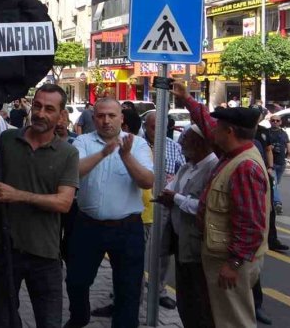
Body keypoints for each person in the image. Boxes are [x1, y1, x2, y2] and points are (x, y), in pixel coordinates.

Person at [0, 84, 79, 328]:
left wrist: (18, 195)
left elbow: (64, 203)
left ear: (61, 115)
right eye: (37, 106)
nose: (41, 113)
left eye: (49, 109)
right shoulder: (7, 139)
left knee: (49, 321)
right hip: (4, 247)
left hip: (44, 252)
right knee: (4, 319)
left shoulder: (67, 153)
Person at [172, 83, 270, 328]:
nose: (212, 131)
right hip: (220, 256)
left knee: (232, 320)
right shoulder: (233, 153)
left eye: (218, 128)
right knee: (218, 317)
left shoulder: (244, 166)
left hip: (231, 262)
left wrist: (233, 263)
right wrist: (187, 99)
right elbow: (207, 124)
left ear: (229, 131)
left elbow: (250, 223)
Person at [65, 98, 154, 328]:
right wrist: (104, 153)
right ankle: (79, 317)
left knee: (128, 288)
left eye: (112, 115)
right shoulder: (83, 141)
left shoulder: (137, 144)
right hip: (87, 226)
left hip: (127, 229)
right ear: (94, 118)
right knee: (76, 280)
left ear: (121, 118)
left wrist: (126, 157)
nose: (106, 121)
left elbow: (147, 181)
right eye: (101, 116)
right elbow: (74, 171)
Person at [157, 124, 218, 328]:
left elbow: (206, 207)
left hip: (197, 247)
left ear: (200, 143)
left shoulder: (213, 168)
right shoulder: (187, 166)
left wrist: (176, 199)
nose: (181, 143)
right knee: (185, 299)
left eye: (186, 139)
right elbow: (170, 188)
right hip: (181, 241)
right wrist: (168, 196)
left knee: (199, 299)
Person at [143, 110, 186, 309]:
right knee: (136, 251)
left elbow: (183, 171)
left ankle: (159, 289)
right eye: (153, 127)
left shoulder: (174, 146)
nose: (157, 131)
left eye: (162, 127)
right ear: (145, 127)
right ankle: (131, 288)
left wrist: (174, 179)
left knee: (162, 251)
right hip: (141, 205)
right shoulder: (137, 144)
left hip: (163, 204)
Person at [266, 116, 290, 215]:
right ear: (270, 122)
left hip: (281, 164)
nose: (275, 122)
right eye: (273, 120)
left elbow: (288, 145)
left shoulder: (283, 133)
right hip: (271, 164)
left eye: (277, 120)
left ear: (280, 122)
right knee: (274, 184)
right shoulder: (266, 132)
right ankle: (277, 203)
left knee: (275, 184)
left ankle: (270, 200)